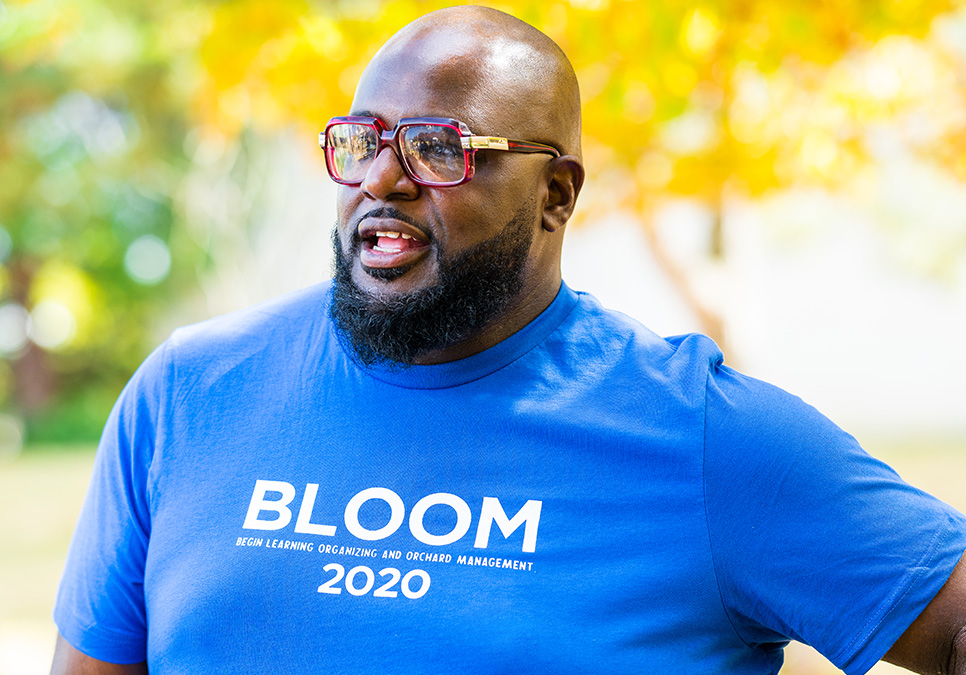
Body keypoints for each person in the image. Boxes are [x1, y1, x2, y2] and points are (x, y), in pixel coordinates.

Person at [51, 6, 966, 674]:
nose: (384, 179)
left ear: (557, 195)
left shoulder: (703, 437)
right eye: (362, 139)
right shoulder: (190, 393)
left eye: (437, 148)